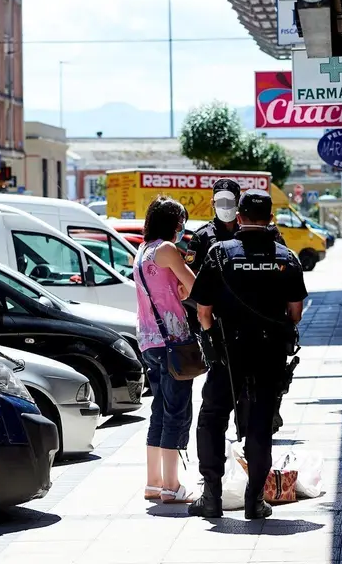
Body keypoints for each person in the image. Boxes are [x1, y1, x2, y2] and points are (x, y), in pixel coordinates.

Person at [187, 189, 308, 519]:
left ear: (238, 217)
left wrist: (212, 338)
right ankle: (255, 500)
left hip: (227, 353)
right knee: (260, 423)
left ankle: (211, 496)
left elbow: (203, 311)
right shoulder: (286, 258)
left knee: (212, 417)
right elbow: (295, 313)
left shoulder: (219, 253)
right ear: (270, 219)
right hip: (268, 353)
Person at [135, 196, 198, 504]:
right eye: (181, 223)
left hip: (148, 340)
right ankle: (172, 486)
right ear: (174, 224)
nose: (182, 228)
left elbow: (165, 289)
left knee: (159, 410)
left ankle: (154, 482)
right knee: (175, 412)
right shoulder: (167, 250)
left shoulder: (142, 250)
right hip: (172, 340)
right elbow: (195, 287)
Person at [186, 179, 286, 275]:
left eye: (230, 202)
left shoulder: (252, 231)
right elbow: (190, 274)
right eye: (221, 202)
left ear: (238, 203)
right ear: (212, 203)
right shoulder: (202, 235)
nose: (225, 206)